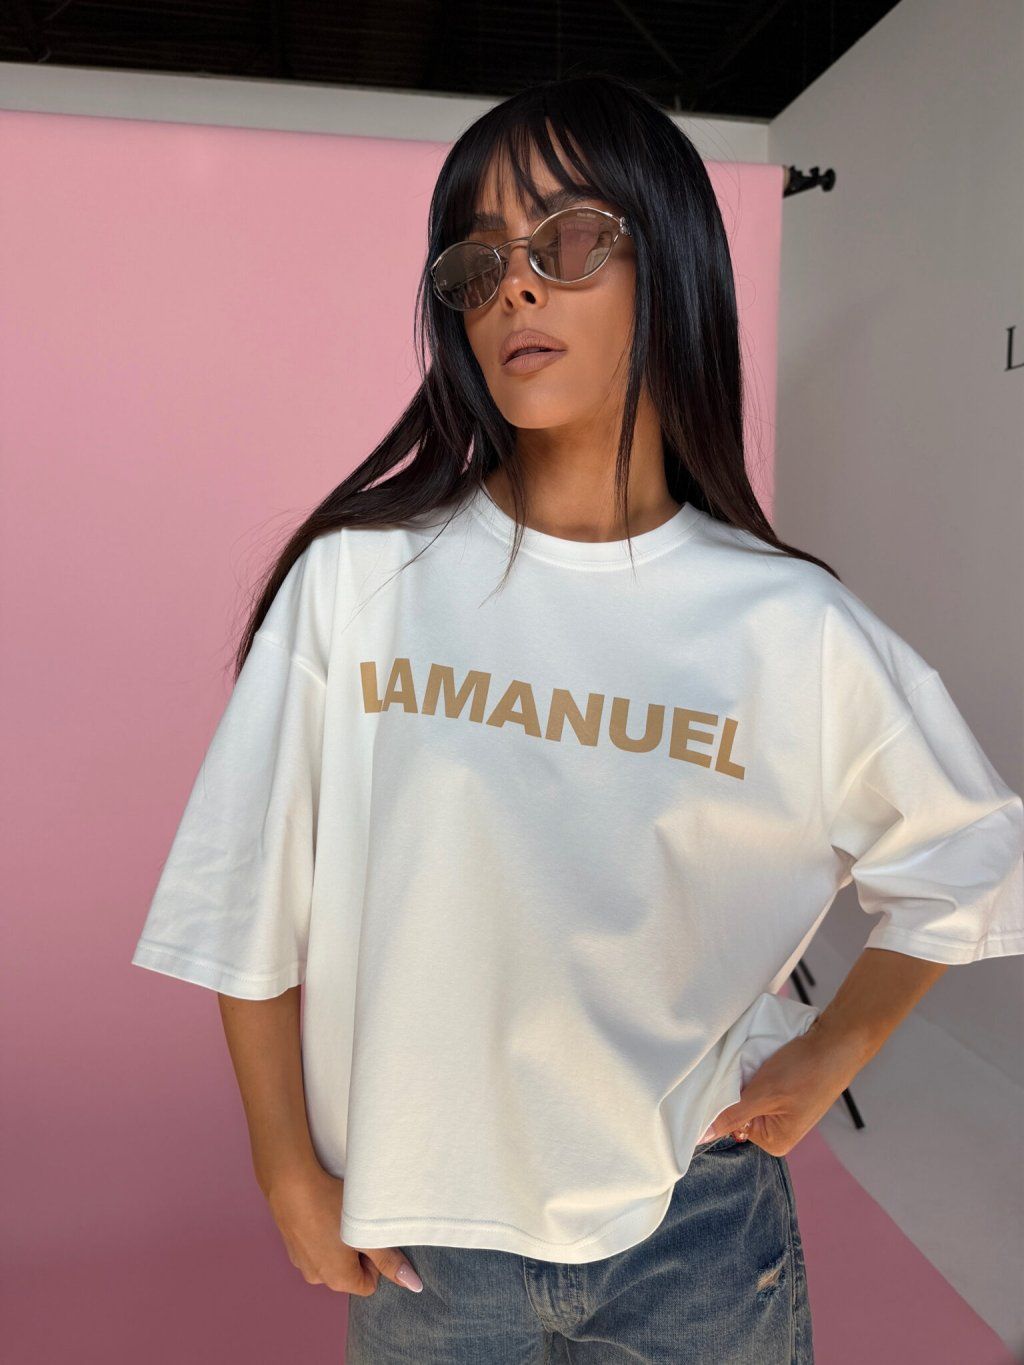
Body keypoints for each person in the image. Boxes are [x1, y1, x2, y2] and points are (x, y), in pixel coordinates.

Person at [130, 72, 1024, 1364]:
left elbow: (967, 847)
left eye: (568, 242)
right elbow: (246, 893)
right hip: (426, 1241)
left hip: (699, 1225)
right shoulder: (361, 585)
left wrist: (833, 1051)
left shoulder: (785, 624)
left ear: (671, 267)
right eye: (478, 262)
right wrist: (286, 1167)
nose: (514, 289)